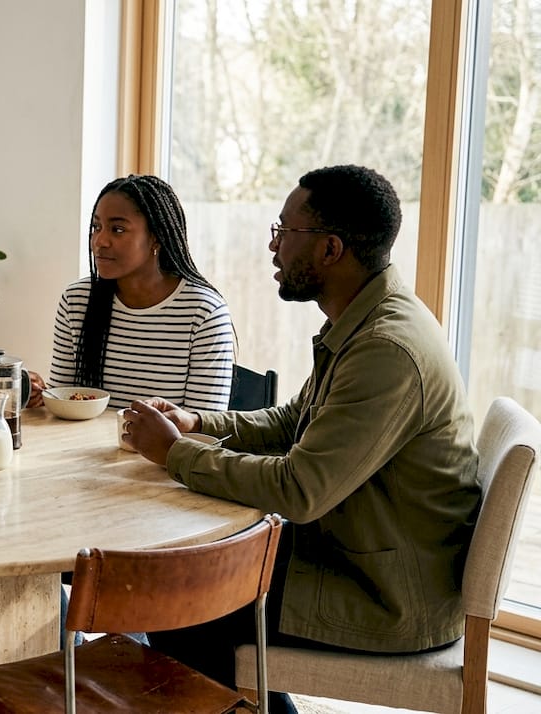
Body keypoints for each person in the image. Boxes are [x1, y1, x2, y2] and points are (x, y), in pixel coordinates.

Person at [122, 165, 481, 714]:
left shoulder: (386, 349)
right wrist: (199, 424)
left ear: (330, 249)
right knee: (189, 575)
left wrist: (175, 453)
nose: (273, 245)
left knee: (179, 602)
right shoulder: (365, 320)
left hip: (384, 594)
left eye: (285, 232)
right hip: (355, 553)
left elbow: (299, 489)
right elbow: (294, 422)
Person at [27, 174, 234, 411]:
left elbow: (204, 427)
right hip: (82, 448)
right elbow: (64, 401)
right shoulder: (77, 301)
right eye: (97, 227)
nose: (100, 240)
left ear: (156, 237)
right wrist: (42, 396)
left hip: (164, 449)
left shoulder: (204, 313)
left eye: (117, 229)